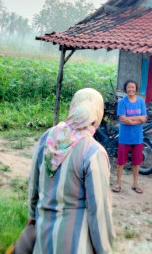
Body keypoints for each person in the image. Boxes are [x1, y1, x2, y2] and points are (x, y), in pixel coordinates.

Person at [27, 88, 113, 254]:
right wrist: (104, 249)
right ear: (97, 115)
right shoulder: (93, 152)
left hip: (43, 237)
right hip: (74, 243)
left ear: (73, 107)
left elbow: (33, 183)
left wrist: (32, 216)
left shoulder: (47, 137)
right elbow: (99, 211)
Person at [112, 79, 147, 194]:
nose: (131, 89)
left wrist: (131, 120)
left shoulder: (141, 102)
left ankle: (135, 184)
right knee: (121, 161)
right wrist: (137, 119)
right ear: (125, 89)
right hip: (125, 137)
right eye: (129, 87)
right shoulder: (122, 102)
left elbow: (144, 118)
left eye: (133, 87)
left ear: (136, 89)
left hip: (137, 137)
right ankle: (118, 183)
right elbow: (123, 119)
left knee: (136, 162)